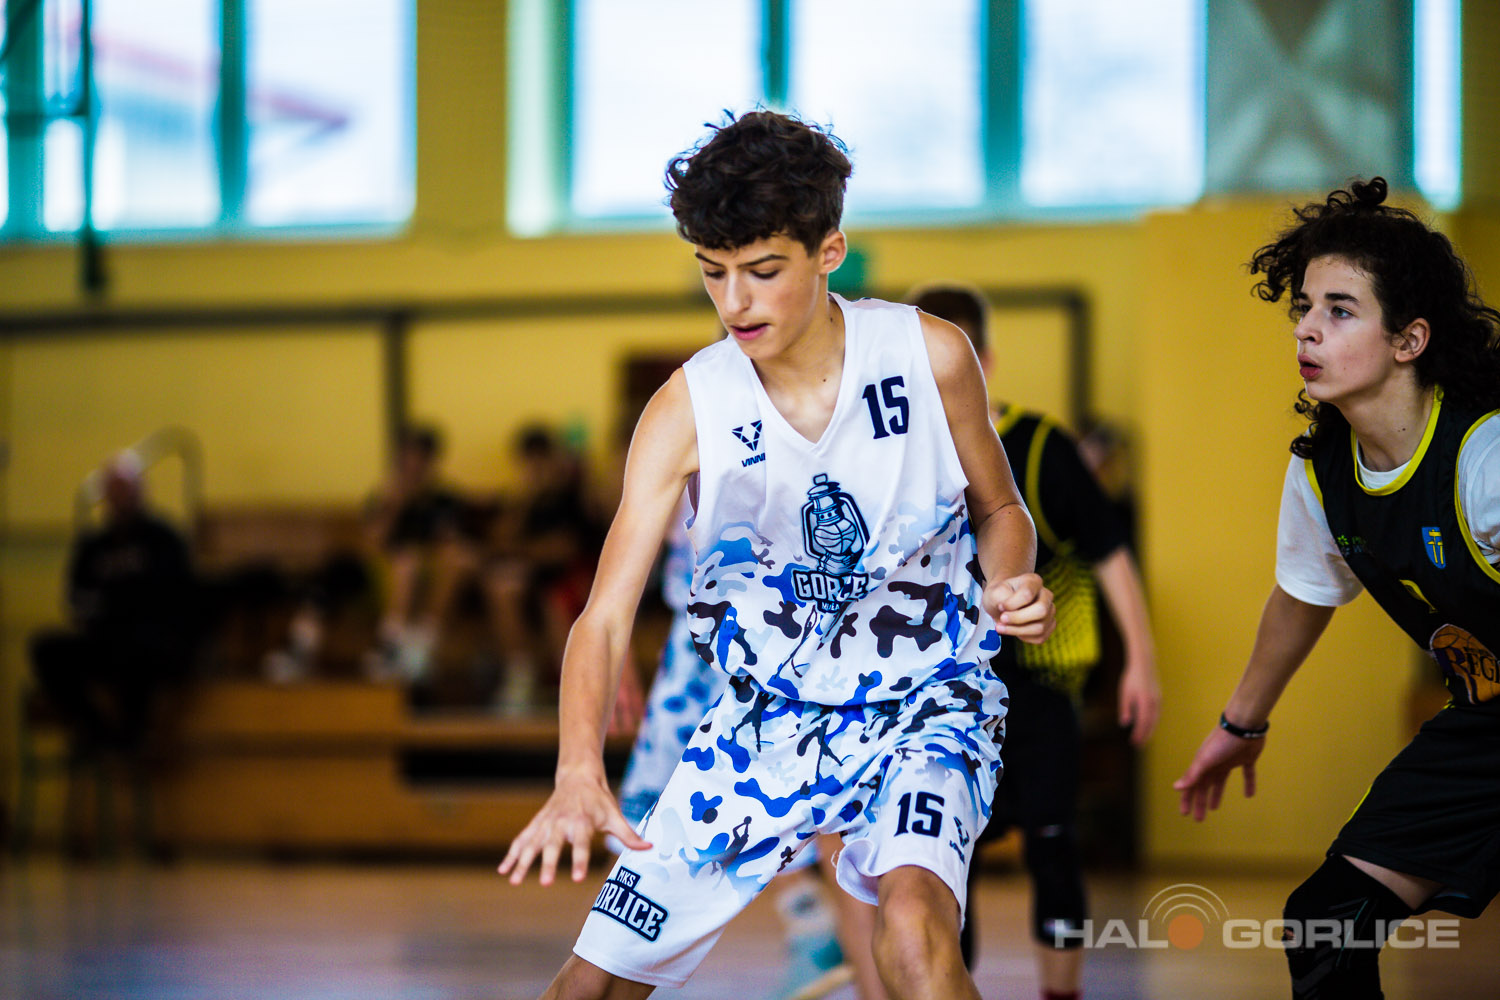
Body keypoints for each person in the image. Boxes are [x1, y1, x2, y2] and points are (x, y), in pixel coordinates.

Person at [498, 110, 1055, 1000]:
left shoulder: (931, 355)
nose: (735, 303)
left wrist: (1012, 577)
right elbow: (602, 618)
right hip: (765, 721)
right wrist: (575, 772)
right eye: (712, 272)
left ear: (830, 251)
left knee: (913, 935)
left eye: (762, 271)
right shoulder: (685, 409)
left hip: (927, 698)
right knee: (589, 986)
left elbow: (999, 507)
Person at [1174, 177, 1500, 999]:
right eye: (1304, 308)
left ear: (1410, 339)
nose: (1307, 328)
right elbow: (1302, 595)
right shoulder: (1322, 470)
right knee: (1326, 923)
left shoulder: (1486, 455)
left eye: (1340, 310)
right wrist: (1239, 724)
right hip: (1488, 726)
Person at [912, 284, 1161, 1000]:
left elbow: (1110, 552)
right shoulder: (893, 454)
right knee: (944, 866)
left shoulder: (1043, 447)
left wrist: (1141, 662)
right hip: (939, 696)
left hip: (1039, 689)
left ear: (983, 362)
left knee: (1053, 847)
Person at [615, 494, 855, 1000]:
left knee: (786, 799)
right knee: (703, 805)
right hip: (720, 629)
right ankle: (810, 924)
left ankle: (819, 930)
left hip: (758, 629)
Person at [30, 451, 198, 752]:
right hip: (106, 638)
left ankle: (131, 739)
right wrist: (112, 606)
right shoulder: (93, 545)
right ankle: (97, 731)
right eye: (113, 490)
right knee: (45, 648)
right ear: (105, 496)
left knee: (140, 650)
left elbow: (176, 597)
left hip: (150, 643)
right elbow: (76, 599)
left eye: (125, 488)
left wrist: (119, 603)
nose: (120, 497)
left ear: (141, 491)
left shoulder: (163, 538)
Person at [363, 424, 483, 682]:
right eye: (409, 456)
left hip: (435, 572)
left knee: (459, 559)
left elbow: (456, 541)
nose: (414, 464)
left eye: (422, 457)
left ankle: (422, 644)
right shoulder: (385, 497)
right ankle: (391, 645)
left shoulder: (445, 499)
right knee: (407, 564)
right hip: (390, 574)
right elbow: (371, 545)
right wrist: (394, 504)